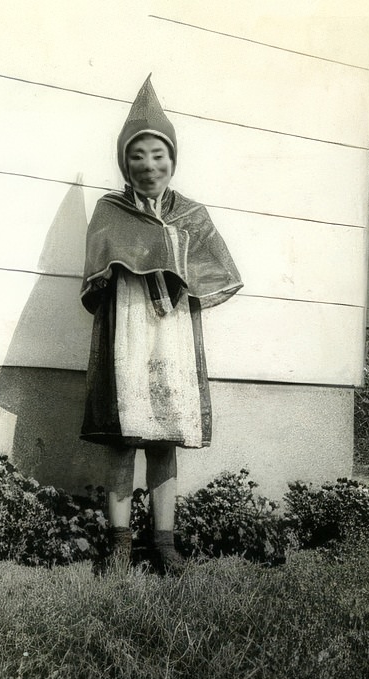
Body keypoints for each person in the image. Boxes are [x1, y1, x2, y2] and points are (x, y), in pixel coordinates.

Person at [80, 75, 242, 573]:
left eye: (159, 156)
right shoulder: (110, 211)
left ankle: (165, 544)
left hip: (171, 335)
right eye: (138, 156)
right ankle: (120, 542)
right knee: (124, 438)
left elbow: (215, 272)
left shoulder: (192, 215)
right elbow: (97, 278)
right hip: (127, 332)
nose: (149, 167)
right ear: (123, 162)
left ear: (173, 159)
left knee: (165, 438)